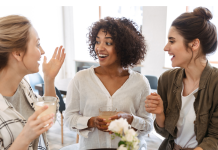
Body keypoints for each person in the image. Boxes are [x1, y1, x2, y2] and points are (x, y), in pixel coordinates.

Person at [64, 17, 153, 150]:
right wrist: (90, 122)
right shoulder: (81, 79)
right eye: (97, 42)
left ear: (124, 47)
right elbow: (69, 119)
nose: (100, 48)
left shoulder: (140, 83)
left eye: (108, 43)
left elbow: (148, 126)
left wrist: (130, 119)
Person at [145, 7, 218, 150]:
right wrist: (159, 113)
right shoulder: (167, 79)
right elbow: (165, 133)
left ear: (194, 44)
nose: (166, 47)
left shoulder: (215, 83)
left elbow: (215, 137)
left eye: (172, 41)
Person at [0, 15, 66, 150]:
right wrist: (25, 137)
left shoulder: (23, 86)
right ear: (18, 53)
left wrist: (49, 79)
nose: (42, 51)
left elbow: (47, 118)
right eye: (37, 44)